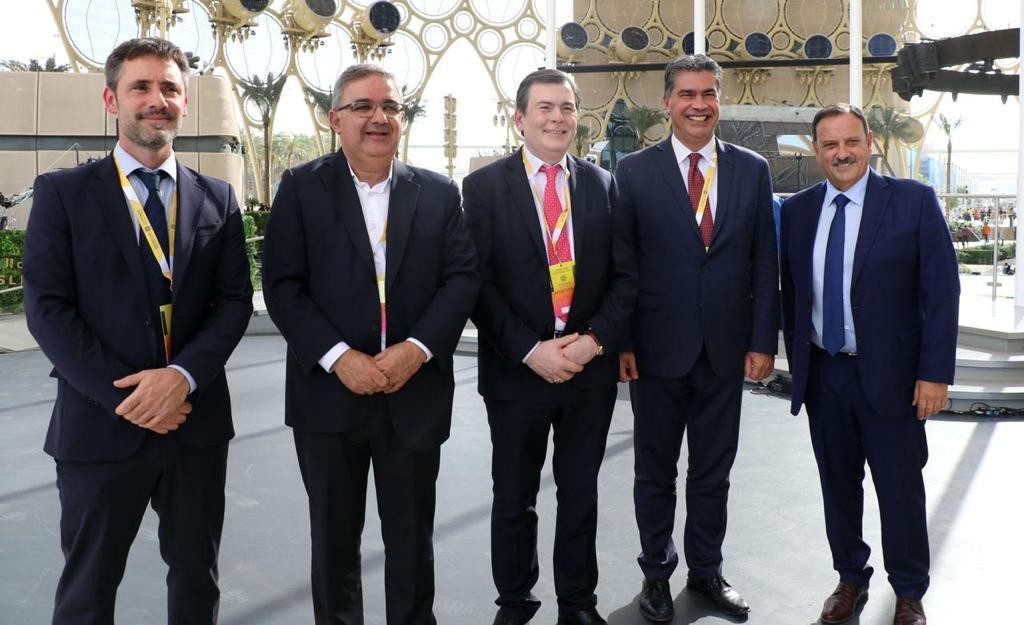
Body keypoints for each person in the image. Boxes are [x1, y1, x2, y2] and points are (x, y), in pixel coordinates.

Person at [22, 37, 254, 624]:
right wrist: (131, 398)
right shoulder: (63, 194)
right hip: (100, 426)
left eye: (170, 88)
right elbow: (48, 309)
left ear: (184, 101)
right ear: (112, 100)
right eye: (141, 87)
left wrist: (181, 378)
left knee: (197, 581)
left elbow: (233, 302)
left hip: (194, 423)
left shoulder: (218, 198)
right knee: (88, 588)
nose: (158, 99)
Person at [261, 63, 479, 625]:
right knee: (334, 541)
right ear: (335, 119)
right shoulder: (301, 188)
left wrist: (417, 349)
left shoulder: (437, 192)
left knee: (412, 540)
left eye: (391, 106)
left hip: (414, 393)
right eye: (362, 106)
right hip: (329, 398)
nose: (379, 117)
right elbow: (282, 285)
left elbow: (462, 279)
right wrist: (340, 359)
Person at [462, 69, 636, 625]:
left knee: (580, 493)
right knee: (514, 497)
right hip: (517, 372)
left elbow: (626, 278)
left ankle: (578, 603)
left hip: (587, 372)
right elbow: (476, 283)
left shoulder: (604, 185)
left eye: (566, 108)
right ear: (520, 119)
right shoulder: (484, 188)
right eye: (544, 108)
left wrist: (594, 342)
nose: (557, 118)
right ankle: (515, 602)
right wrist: (529, 350)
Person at [779, 104, 960, 625]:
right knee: (838, 486)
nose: (842, 153)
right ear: (817, 151)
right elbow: (790, 288)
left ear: (870, 143)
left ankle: (908, 592)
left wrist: (934, 374)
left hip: (894, 378)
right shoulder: (797, 210)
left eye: (851, 141)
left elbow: (942, 292)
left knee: (899, 488)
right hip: (825, 372)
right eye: (830, 144)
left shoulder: (913, 201)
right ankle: (850, 578)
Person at [615, 54, 778, 622]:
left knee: (713, 471)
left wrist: (763, 340)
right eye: (687, 94)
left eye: (709, 93)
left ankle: (707, 571)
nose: (698, 104)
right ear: (667, 102)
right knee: (654, 472)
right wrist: (623, 342)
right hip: (655, 349)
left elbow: (764, 261)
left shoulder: (752, 169)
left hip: (726, 349)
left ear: (719, 101)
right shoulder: (633, 171)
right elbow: (623, 264)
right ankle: (656, 575)